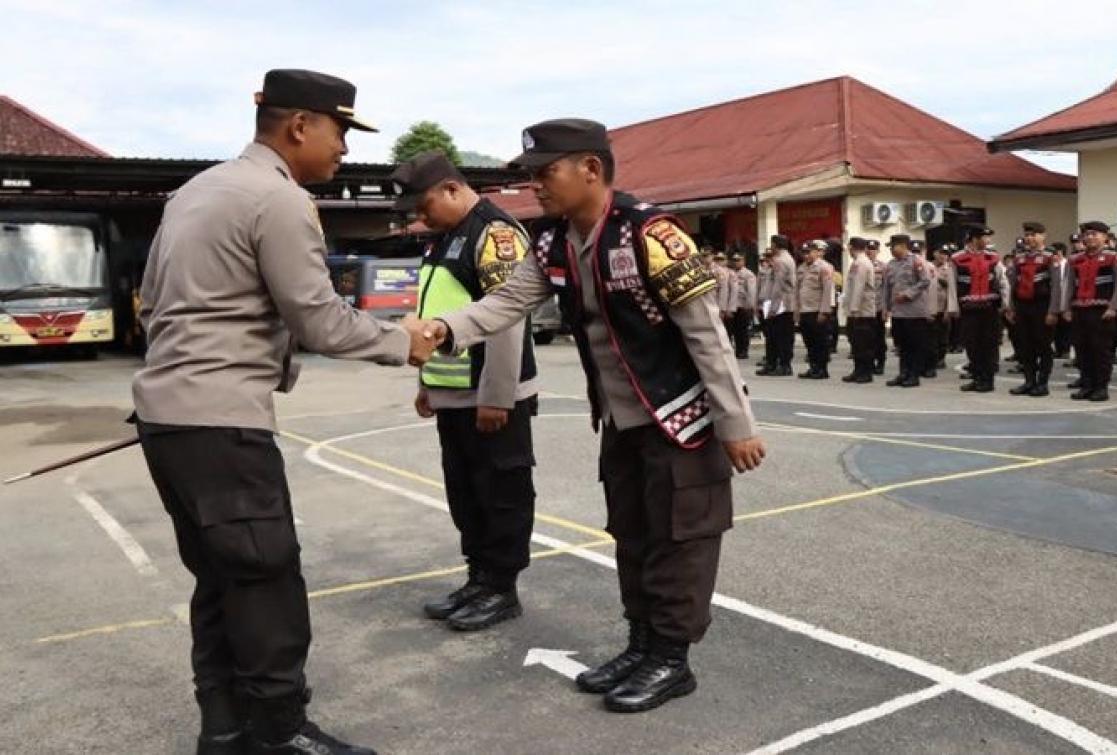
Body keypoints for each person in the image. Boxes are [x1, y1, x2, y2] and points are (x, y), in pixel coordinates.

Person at [132, 69, 434, 755]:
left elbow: (153, 303)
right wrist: (401, 341)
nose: (344, 150)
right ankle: (278, 734)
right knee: (266, 578)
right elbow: (320, 319)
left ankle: (224, 728)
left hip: (167, 420)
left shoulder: (194, 191)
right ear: (300, 126)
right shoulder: (280, 198)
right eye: (340, 132)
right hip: (222, 421)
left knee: (221, 579)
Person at [419, 118, 765, 713]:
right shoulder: (554, 240)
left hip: (680, 421)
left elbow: (707, 335)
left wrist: (737, 425)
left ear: (591, 169)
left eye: (544, 172)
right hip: (622, 422)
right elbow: (508, 301)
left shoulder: (652, 236)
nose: (536, 187)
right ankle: (641, 644)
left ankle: (670, 658)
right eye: (529, 175)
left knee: (680, 540)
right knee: (632, 535)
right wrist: (446, 328)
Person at [392, 151, 539, 630]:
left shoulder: (493, 235)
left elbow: (506, 319)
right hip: (452, 394)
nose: (420, 216)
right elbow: (432, 312)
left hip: (491, 396)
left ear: (453, 189)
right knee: (466, 492)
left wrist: (498, 395)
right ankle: (478, 578)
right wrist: (425, 381)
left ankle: (501, 587)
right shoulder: (445, 237)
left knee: (500, 492)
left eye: (425, 204)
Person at [1059, 221, 1117, 401]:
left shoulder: (1115, 257)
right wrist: (1066, 308)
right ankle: (1087, 385)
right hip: (1079, 310)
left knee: (1101, 351)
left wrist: (1114, 307)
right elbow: (1068, 286)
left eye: (1095, 234)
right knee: (1082, 349)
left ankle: (1101, 387)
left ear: (1105, 237)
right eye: (1087, 234)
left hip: (1102, 311)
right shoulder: (1075, 259)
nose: (1090, 238)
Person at [948, 226, 1010, 393]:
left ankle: (987, 380)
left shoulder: (993, 258)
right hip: (969, 309)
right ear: (974, 239)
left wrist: (1006, 305)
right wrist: (953, 307)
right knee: (972, 345)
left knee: (989, 345)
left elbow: (1002, 282)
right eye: (985, 237)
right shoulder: (957, 258)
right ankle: (976, 378)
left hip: (989, 309)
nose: (988, 241)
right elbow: (952, 285)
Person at [1007, 222, 1059, 397]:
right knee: (1024, 345)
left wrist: (1053, 311)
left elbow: (1057, 286)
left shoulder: (1051, 256)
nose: (1030, 238)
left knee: (1043, 345)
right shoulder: (1019, 257)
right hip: (1022, 306)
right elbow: (1012, 284)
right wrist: (1011, 308)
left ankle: (1042, 383)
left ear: (1043, 236)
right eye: (1027, 235)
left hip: (1042, 306)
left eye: (1034, 234)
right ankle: (1029, 381)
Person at [882, 235, 932, 387]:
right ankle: (903, 373)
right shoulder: (890, 265)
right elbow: (886, 288)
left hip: (914, 312)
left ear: (903, 246)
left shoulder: (916, 261)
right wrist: (885, 308)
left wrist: (907, 294)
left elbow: (925, 280)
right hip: (898, 313)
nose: (891, 249)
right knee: (901, 345)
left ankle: (913, 375)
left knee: (914, 345)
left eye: (893, 246)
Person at [757, 234, 797, 376]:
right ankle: (771, 363)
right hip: (776, 303)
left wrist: (773, 307)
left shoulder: (781, 261)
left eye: (772, 244)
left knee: (782, 336)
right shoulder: (780, 259)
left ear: (776, 245)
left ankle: (784, 365)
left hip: (781, 304)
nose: (770, 247)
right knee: (772, 336)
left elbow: (778, 287)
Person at [796, 240, 836, 379]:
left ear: (816, 252)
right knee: (809, 341)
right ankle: (813, 367)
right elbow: (798, 291)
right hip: (805, 310)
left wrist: (824, 311)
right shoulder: (801, 268)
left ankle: (822, 369)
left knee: (820, 341)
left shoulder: (824, 267)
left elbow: (827, 291)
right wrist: (797, 311)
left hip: (817, 310)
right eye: (804, 253)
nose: (806, 256)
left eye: (809, 252)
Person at [841, 237, 878, 382]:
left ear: (852, 247)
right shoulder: (859, 262)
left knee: (863, 344)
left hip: (862, 311)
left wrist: (854, 309)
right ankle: (858, 370)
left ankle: (865, 373)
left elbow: (858, 287)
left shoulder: (861, 263)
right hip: (858, 311)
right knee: (856, 344)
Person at [726, 253, 757, 359]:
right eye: (735, 260)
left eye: (739, 260)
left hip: (742, 305)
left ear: (743, 261)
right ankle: (735, 350)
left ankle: (743, 350)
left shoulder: (748, 274)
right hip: (732, 306)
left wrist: (750, 306)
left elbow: (751, 291)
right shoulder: (729, 273)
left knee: (742, 330)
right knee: (732, 330)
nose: (736, 262)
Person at [865, 239, 889, 374]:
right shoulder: (859, 265)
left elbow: (887, 288)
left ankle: (880, 362)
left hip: (878, 307)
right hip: (865, 308)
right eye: (868, 248)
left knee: (879, 337)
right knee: (866, 338)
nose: (870, 251)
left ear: (878, 251)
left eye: (873, 249)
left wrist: (886, 308)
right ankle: (869, 362)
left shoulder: (883, 267)